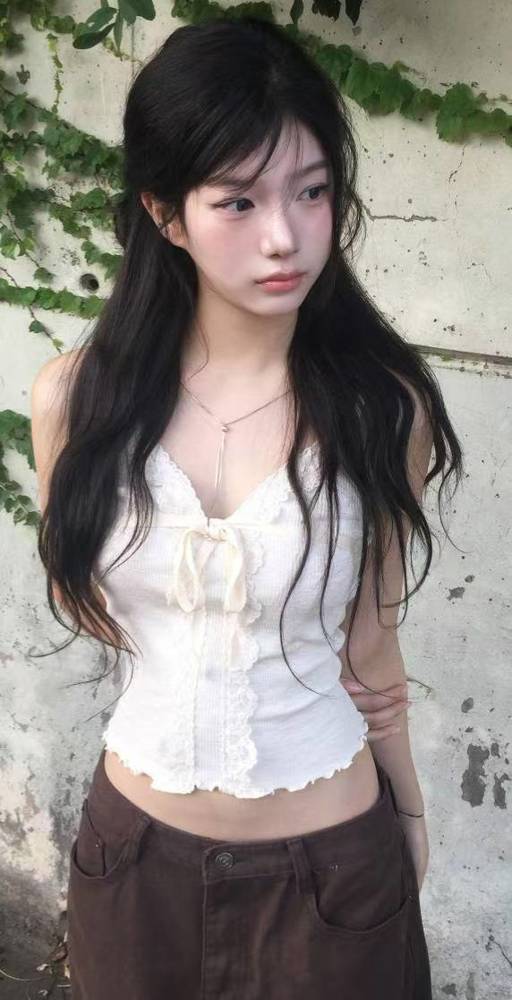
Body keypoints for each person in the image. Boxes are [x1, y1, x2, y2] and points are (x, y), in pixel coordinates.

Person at [30, 15, 463, 1000]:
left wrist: (408, 816)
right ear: (165, 213)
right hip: (132, 864)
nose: (284, 235)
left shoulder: (379, 408)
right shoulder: (74, 402)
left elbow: (372, 648)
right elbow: (87, 604)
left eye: (311, 191)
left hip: (332, 871)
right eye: (238, 199)